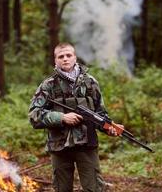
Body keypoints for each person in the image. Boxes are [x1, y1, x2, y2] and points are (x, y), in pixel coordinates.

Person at [28, 43, 122, 192]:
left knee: (95, 188)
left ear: (75, 58)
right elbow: (34, 116)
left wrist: (109, 128)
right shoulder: (48, 85)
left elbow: (99, 114)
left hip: (87, 145)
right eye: (61, 56)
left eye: (68, 55)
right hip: (60, 147)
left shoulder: (91, 83)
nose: (65, 59)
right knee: (62, 188)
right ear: (55, 60)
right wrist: (61, 118)